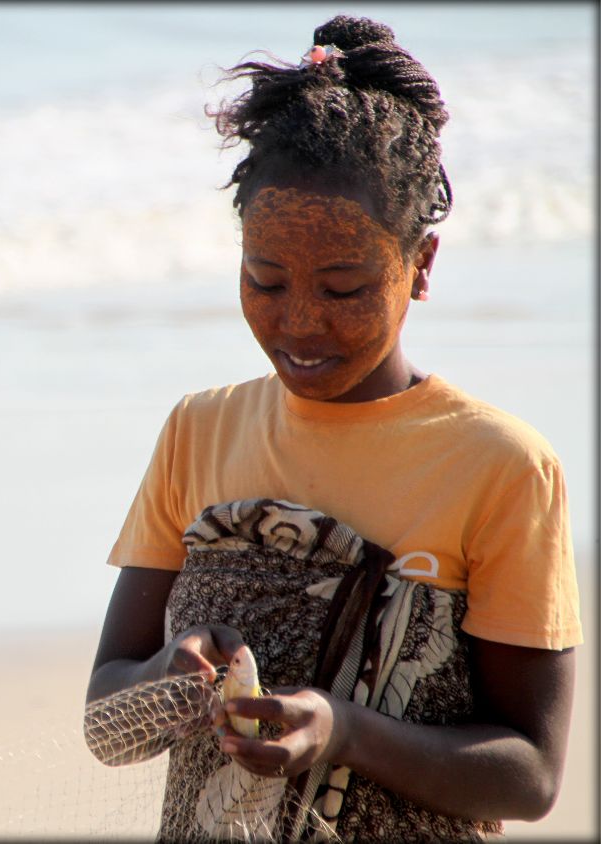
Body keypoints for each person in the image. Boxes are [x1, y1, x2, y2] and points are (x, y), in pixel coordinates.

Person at [85, 15, 580, 841]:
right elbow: (107, 723)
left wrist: (345, 730)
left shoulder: (500, 466)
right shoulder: (199, 431)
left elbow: (529, 776)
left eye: (346, 288)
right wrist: (169, 678)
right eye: (264, 279)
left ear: (421, 264)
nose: (300, 323)